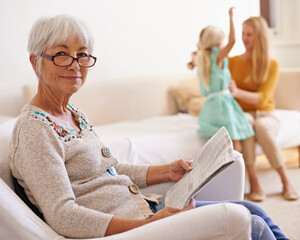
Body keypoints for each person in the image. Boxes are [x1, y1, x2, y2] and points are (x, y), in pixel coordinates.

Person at [8, 14, 287, 240]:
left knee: (252, 209)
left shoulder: (73, 114)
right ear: (36, 62)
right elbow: (63, 215)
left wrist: (168, 170)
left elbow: (110, 169)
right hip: (136, 227)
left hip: (148, 211)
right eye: (61, 54)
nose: (76, 65)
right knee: (252, 226)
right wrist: (151, 225)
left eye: (82, 54)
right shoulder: (35, 130)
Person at [228, 16, 299, 202]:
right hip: (243, 113)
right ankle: (254, 182)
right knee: (245, 124)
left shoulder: (271, 64)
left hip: (266, 113)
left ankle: (285, 180)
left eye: (249, 34)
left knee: (263, 128)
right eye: (243, 33)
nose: (244, 38)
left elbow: (262, 99)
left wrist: (237, 92)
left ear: (260, 36)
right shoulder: (232, 61)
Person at [188, 8, 254, 153]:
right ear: (217, 44)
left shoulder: (202, 59)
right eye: (222, 41)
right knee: (235, 141)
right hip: (223, 106)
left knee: (223, 141)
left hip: (211, 108)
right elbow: (233, 41)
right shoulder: (216, 57)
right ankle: (239, 171)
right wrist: (231, 17)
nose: (225, 44)